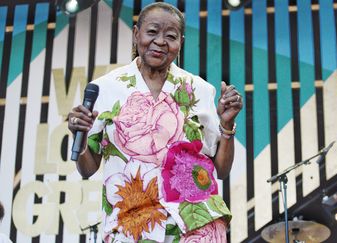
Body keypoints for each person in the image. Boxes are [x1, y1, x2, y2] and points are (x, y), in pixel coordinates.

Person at [67, 2, 243, 242]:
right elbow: (87, 169)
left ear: (180, 42)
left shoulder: (200, 90)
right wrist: (81, 135)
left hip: (197, 223)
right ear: (136, 33)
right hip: (132, 226)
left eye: (170, 36)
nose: (160, 41)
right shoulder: (106, 89)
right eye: (152, 32)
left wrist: (227, 126)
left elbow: (221, 170)